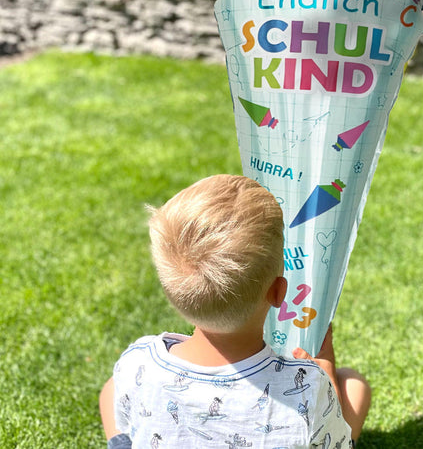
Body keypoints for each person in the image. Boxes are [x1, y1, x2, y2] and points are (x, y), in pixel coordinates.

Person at [99, 174, 371, 448]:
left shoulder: (139, 362)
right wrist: (325, 371)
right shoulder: (308, 385)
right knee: (353, 385)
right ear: (278, 292)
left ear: (171, 293)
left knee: (112, 387)